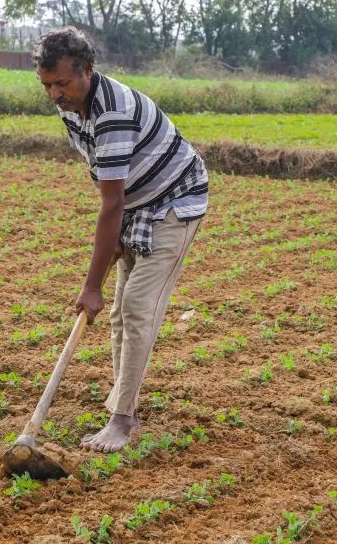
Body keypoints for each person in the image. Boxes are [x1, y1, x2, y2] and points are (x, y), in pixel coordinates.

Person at [33, 27, 208, 453]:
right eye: (47, 85)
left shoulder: (112, 113)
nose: (55, 94)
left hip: (174, 204)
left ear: (87, 71)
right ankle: (122, 407)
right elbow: (106, 181)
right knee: (118, 314)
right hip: (135, 203)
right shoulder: (72, 108)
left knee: (136, 306)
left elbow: (110, 203)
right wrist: (114, 241)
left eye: (62, 83)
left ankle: (122, 421)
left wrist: (90, 286)